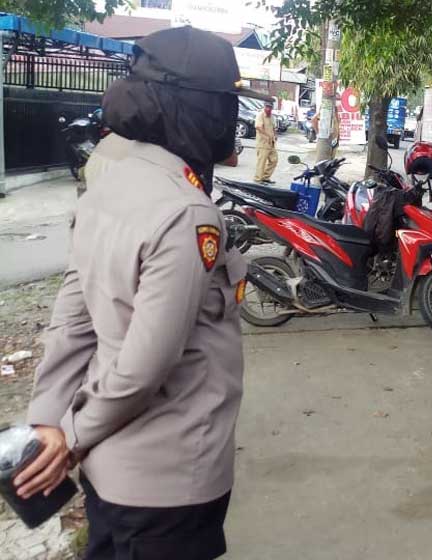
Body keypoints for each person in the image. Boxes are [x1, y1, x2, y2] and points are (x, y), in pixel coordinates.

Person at [13, 26, 261, 560]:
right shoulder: (186, 212)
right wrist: (66, 438)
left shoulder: (111, 187)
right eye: (226, 104)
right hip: (170, 479)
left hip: (112, 475)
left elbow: (71, 320)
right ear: (199, 109)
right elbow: (145, 367)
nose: (231, 119)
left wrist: (49, 419)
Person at [254, 99, 278, 183]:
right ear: (264, 107)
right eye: (267, 107)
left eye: (270, 107)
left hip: (271, 143)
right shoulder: (260, 115)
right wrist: (267, 135)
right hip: (263, 143)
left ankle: (265, 177)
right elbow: (258, 127)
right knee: (262, 162)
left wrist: (275, 135)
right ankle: (258, 179)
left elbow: (274, 127)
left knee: (274, 160)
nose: (268, 109)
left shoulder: (272, 116)